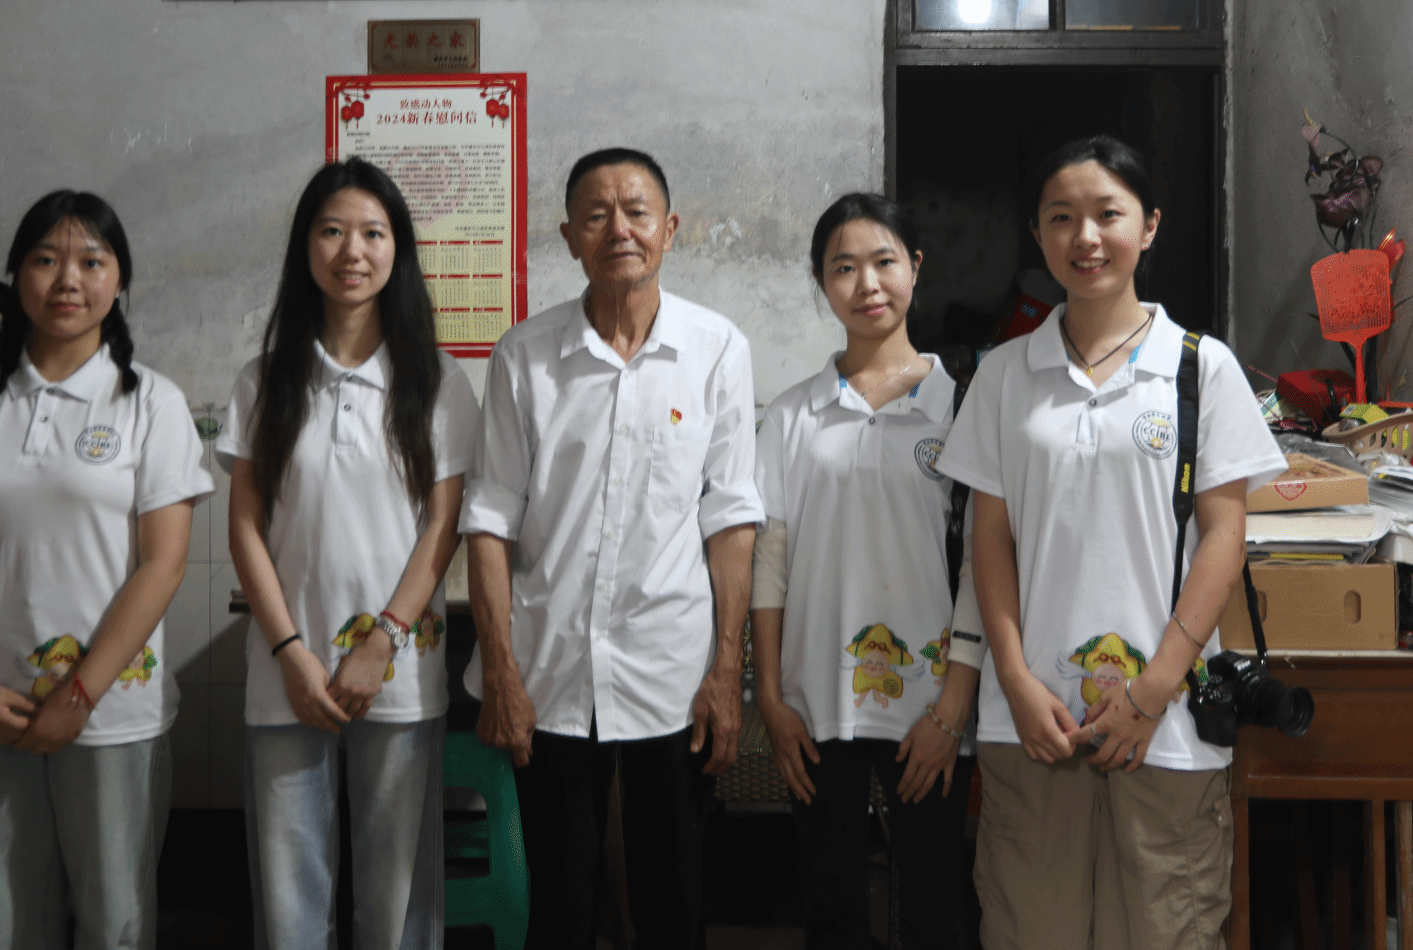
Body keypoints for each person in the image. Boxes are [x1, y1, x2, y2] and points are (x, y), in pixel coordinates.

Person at [935, 137, 1284, 950]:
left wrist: (1154, 689)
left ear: (1149, 225)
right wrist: (1014, 679)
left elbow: (1223, 536)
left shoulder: (1202, 368)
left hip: (1167, 727)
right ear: (1038, 234)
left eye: (1107, 214)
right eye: (1061, 218)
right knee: (1031, 932)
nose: (1085, 237)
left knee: (1166, 932)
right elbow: (990, 541)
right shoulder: (1003, 375)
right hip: (1034, 722)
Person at [461, 147, 763, 950]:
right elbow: (487, 519)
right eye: (596, 215)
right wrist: (501, 671)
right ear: (569, 237)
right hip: (551, 667)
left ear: (670, 228)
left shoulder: (717, 348)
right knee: (561, 906)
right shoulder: (524, 355)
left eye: (636, 212)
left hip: (672, 669)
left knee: (673, 900)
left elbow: (731, 517)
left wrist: (727, 671)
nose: (618, 229)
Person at [0, 190, 211, 950]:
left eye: (91, 262)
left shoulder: (151, 404)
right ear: (16, 275)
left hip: (110, 715)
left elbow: (163, 565)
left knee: (115, 922)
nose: (68, 279)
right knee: (2, 923)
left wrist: (80, 692)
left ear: (119, 280)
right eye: (45, 259)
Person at [220, 158, 480, 950]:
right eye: (332, 231)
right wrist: (291, 652)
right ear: (306, 245)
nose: (352, 251)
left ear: (398, 248)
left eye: (373, 232)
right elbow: (245, 528)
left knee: (397, 890)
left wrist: (382, 640)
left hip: (397, 669)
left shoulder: (437, 382)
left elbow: (443, 526)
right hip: (285, 671)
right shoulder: (263, 381)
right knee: (288, 890)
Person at [751, 193, 985, 950]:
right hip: (816, 703)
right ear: (822, 282)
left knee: (934, 907)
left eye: (884, 261)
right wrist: (771, 699)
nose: (867, 283)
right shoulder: (792, 415)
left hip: (931, 707)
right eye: (843, 267)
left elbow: (984, 564)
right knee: (831, 909)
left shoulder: (962, 409)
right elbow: (769, 559)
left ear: (915, 266)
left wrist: (953, 708)